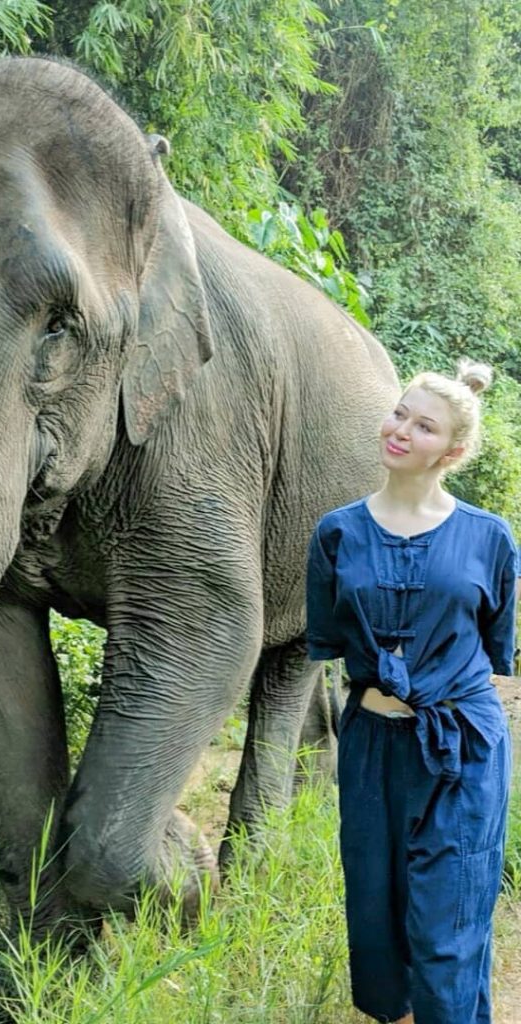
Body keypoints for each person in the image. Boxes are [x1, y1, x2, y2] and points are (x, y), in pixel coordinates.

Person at [305, 359, 518, 1024]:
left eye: (423, 426)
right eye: (400, 413)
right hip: (370, 747)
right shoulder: (336, 532)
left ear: (452, 452)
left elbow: (496, 649)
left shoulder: (490, 538)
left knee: (447, 926)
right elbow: (328, 638)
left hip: (460, 748)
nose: (400, 430)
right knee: (377, 919)